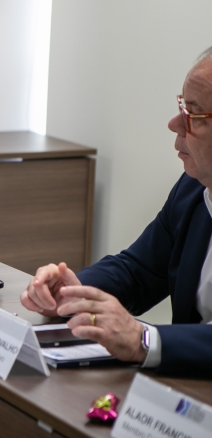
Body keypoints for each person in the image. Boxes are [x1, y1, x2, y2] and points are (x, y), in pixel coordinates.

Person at [20, 50, 212, 376]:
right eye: (182, 106)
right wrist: (71, 291)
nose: (173, 124)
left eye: (192, 114)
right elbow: (138, 271)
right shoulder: (194, 189)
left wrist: (144, 339)